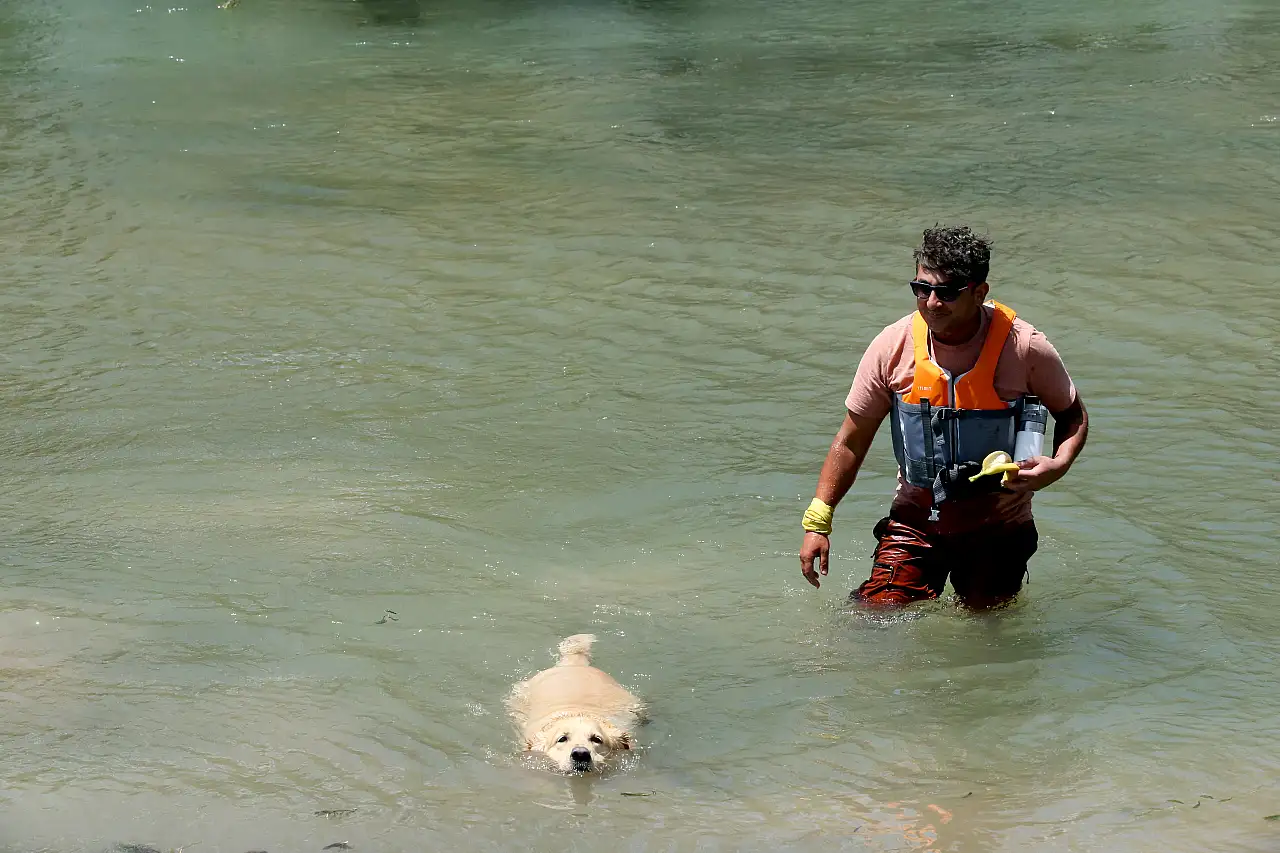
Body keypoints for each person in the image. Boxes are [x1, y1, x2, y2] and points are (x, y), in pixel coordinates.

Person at [799, 226, 1088, 608]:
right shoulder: (893, 345)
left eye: (948, 292)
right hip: (914, 521)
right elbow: (852, 438)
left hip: (999, 526)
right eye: (922, 288)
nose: (932, 302)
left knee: (987, 636)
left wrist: (1057, 465)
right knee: (874, 618)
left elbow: (1072, 415)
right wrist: (818, 521)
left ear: (980, 293)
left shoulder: (1026, 348)